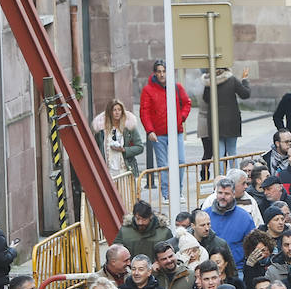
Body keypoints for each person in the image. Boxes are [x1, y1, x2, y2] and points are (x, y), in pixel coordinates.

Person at [140, 59, 191, 198]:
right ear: (155, 73)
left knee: (180, 161)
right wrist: (149, 130)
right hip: (159, 133)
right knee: (164, 165)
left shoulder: (176, 87)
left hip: (176, 131)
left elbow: (187, 103)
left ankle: (178, 191)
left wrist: (181, 118)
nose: (162, 74)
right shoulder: (148, 90)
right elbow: (145, 111)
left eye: (164, 71)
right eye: (159, 72)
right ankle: (167, 194)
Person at [196, 65, 250, 160]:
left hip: (215, 121)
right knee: (232, 151)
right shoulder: (232, 79)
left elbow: (206, 98)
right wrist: (244, 80)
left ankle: (220, 174)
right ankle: (234, 173)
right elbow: (245, 94)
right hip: (232, 121)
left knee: (219, 153)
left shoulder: (210, 81)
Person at [93, 98, 145, 175]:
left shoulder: (129, 127)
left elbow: (140, 147)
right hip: (107, 172)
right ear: (109, 112)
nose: (117, 112)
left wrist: (124, 150)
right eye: (114, 110)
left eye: (119, 110)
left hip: (124, 170)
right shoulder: (101, 130)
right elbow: (95, 149)